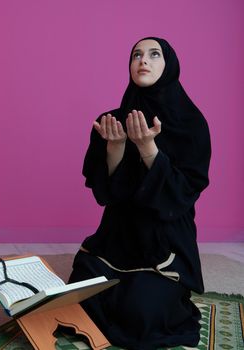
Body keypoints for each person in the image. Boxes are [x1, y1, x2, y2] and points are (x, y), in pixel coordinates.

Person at [68, 37, 211, 350]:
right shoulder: (111, 121)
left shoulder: (192, 124)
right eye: (136, 55)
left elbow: (183, 195)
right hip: (117, 238)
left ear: (169, 65)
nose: (143, 61)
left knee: (141, 311)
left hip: (165, 242)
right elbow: (107, 194)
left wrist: (148, 148)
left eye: (154, 54)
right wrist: (115, 147)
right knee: (79, 290)